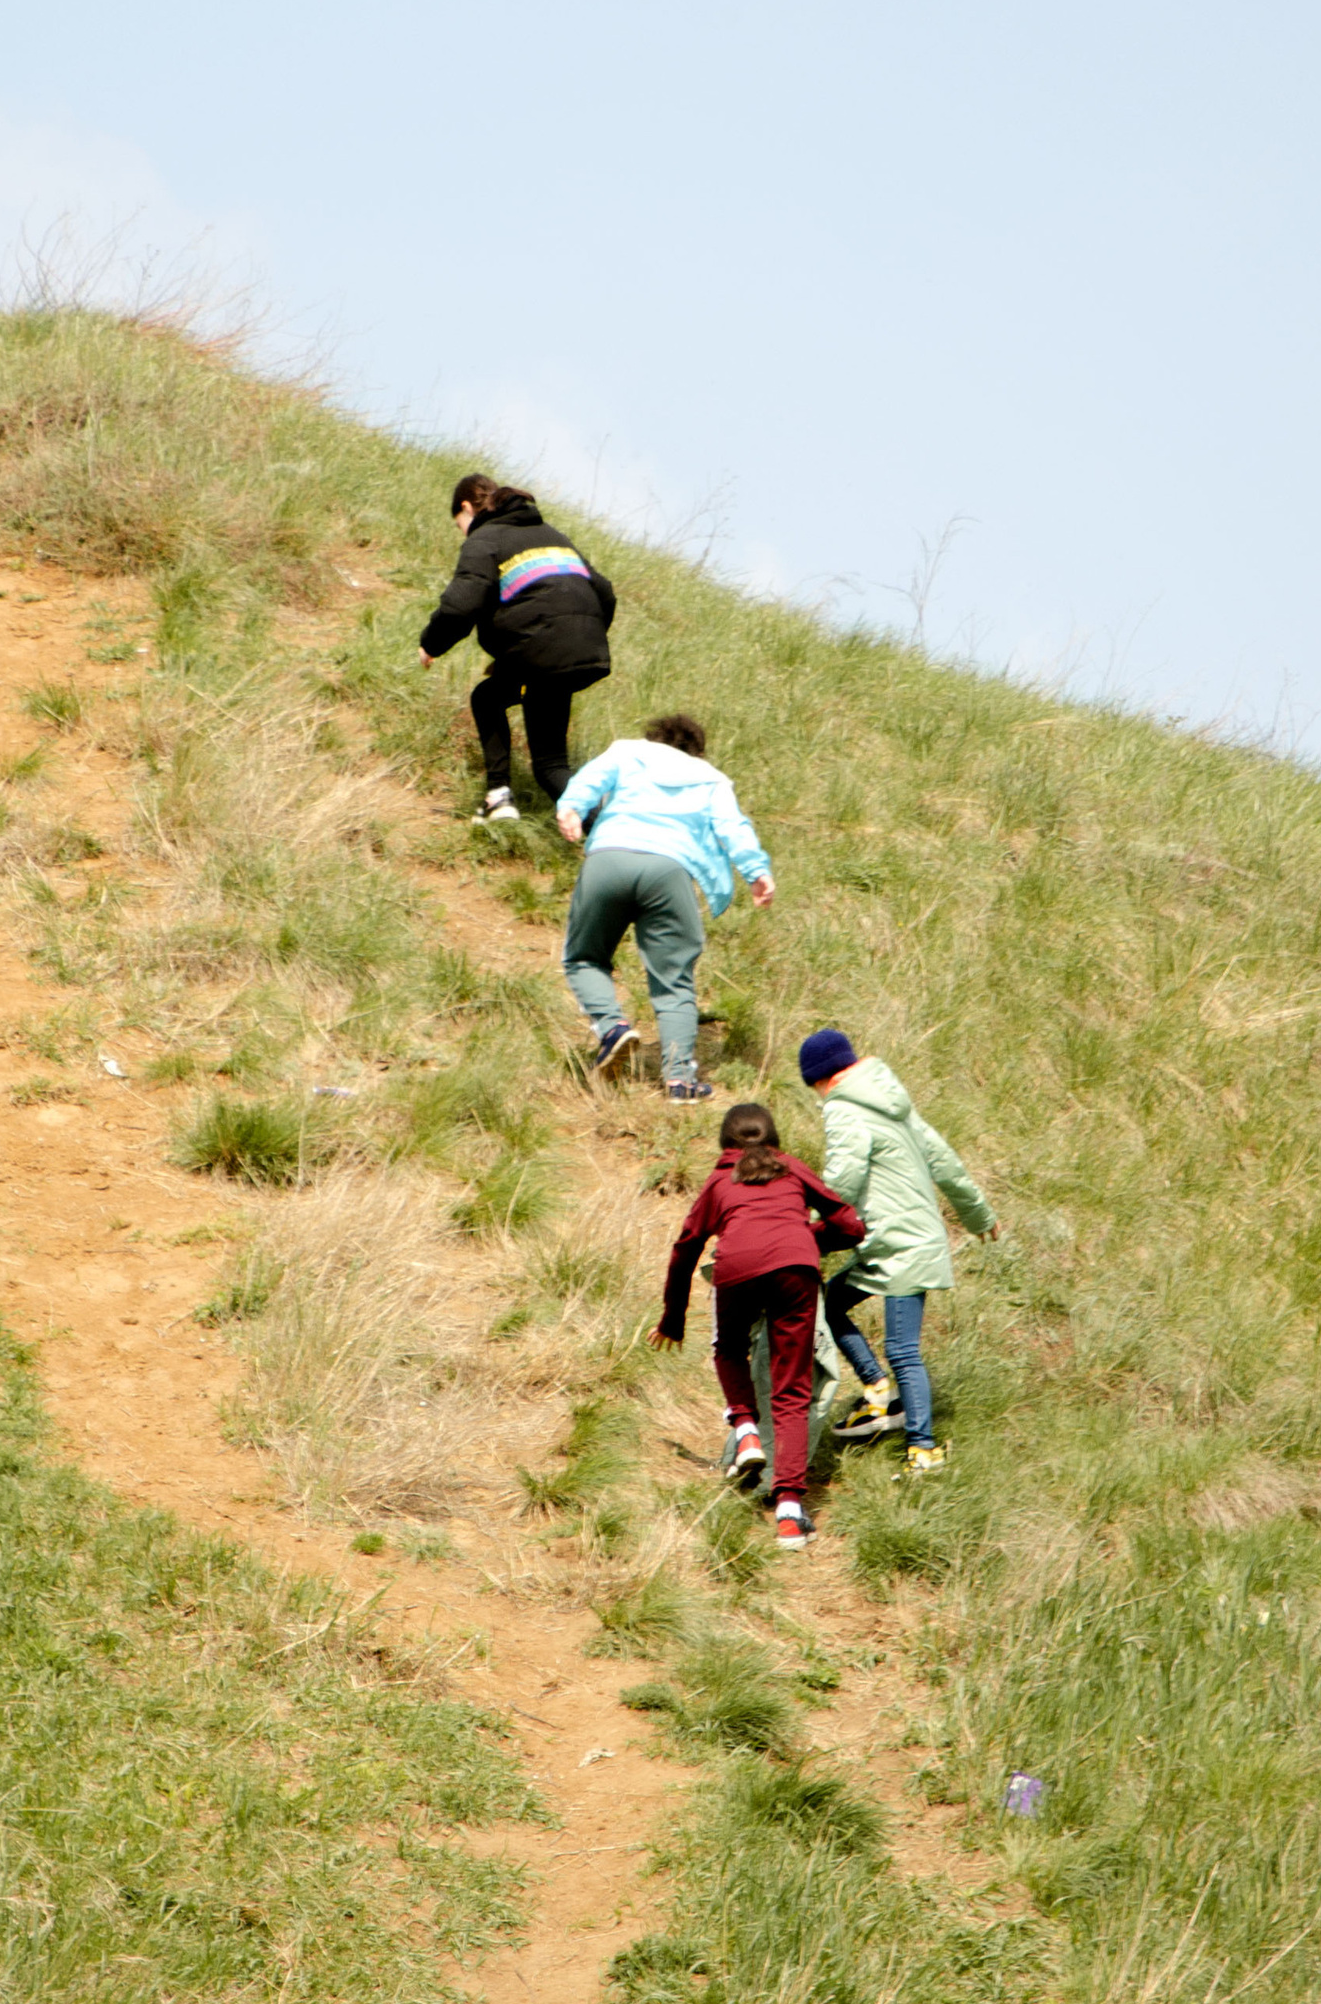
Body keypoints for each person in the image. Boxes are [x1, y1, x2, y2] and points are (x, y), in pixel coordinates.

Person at [654, 1100, 865, 1543]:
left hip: (737, 1268)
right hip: (796, 1272)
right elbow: (849, 1224)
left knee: (729, 1348)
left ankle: (746, 1430)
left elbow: (685, 1248)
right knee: (792, 1391)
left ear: (724, 1144)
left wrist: (673, 1318)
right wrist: (804, 1240)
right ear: (775, 1141)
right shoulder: (792, 1168)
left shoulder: (718, 1181)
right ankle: (790, 1512)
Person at [797, 1030, 997, 1476]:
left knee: (902, 1347)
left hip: (900, 1244)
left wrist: (799, 1224)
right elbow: (943, 1160)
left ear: (820, 1079)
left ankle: (921, 1449)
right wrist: (979, 1214)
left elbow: (843, 1179)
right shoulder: (892, 1101)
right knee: (828, 1303)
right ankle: (877, 1392)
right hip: (902, 1239)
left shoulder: (843, 1107)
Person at [557, 715, 773, 1104]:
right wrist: (756, 871)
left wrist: (571, 808)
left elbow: (590, 780)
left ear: (654, 738)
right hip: (669, 872)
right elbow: (731, 827)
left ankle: (612, 1028)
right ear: (697, 751)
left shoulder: (626, 751)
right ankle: (679, 1081)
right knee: (674, 980)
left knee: (584, 957)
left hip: (609, 858)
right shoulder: (710, 778)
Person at [417, 474, 616, 820]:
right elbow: (604, 591)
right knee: (503, 711)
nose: (462, 531)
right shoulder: (552, 536)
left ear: (466, 508)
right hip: (580, 651)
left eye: (459, 523)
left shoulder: (485, 538)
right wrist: (582, 634)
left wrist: (430, 645)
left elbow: (460, 605)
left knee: (541, 757)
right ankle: (614, 832)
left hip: (543, 652)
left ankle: (502, 798)